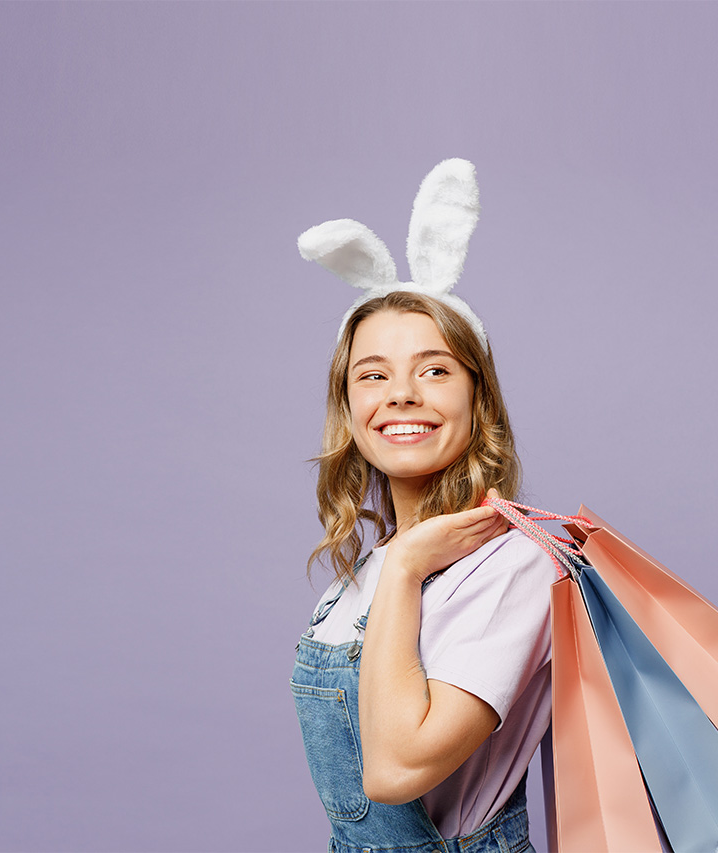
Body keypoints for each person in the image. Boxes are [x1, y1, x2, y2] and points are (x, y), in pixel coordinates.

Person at [292, 161, 553, 853]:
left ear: (479, 397)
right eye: (373, 374)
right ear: (350, 408)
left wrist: (407, 566)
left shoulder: (514, 564)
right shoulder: (369, 568)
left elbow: (396, 768)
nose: (401, 393)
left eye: (434, 369)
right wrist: (400, 561)